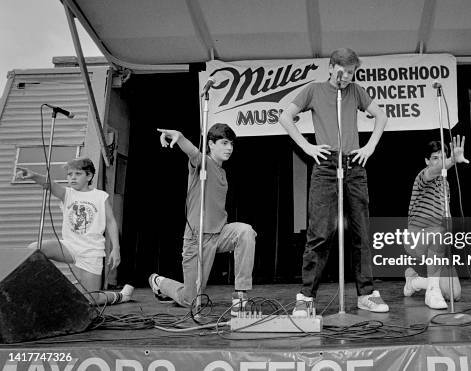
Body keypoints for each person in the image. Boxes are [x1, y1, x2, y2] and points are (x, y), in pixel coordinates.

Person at [279, 48, 389, 315]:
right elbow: (285, 116)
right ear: (331, 67)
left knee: (361, 232)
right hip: (326, 165)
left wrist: (370, 147)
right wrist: (307, 147)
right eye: (343, 72)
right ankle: (306, 296)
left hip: (354, 163)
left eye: (352, 73)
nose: (347, 78)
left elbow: (382, 116)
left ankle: (366, 293)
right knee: (319, 233)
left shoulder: (356, 91)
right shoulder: (314, 90)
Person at [150, 123, 256, 316]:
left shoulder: (222, 171)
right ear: (211, 144)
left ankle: (241, 294)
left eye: (231, 144)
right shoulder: (203, 163)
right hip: (196, 238)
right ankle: (160, 282)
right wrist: (180, 136)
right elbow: (193, 153)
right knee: (190, 300)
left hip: (220, 233)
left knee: (245, 231)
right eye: (224, 143)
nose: (229, 148)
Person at [17, 157, 133, 306]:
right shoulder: (67, 193)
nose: (72, 177)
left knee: (92, 300)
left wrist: (116, 249)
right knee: (34, 248)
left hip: (91, 251)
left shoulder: (100, 196)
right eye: (69, 174)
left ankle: (121, 296)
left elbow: (111, 221)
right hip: (70, 247)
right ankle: (47, 290)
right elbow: (49, 184)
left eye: (77, 174)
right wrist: (34, 176)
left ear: (89, 176)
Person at [402, 138, 468, 309]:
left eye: (443, 156)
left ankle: (414, 281)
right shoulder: (423, 176)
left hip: (436, 246)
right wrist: (452, 160)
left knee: (454, 294)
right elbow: (435, 170)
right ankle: (431, 292)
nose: (439, 161)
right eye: (435, 158)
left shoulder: (445, 184)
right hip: (417, 242)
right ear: (427, 161)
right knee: (437, 232)